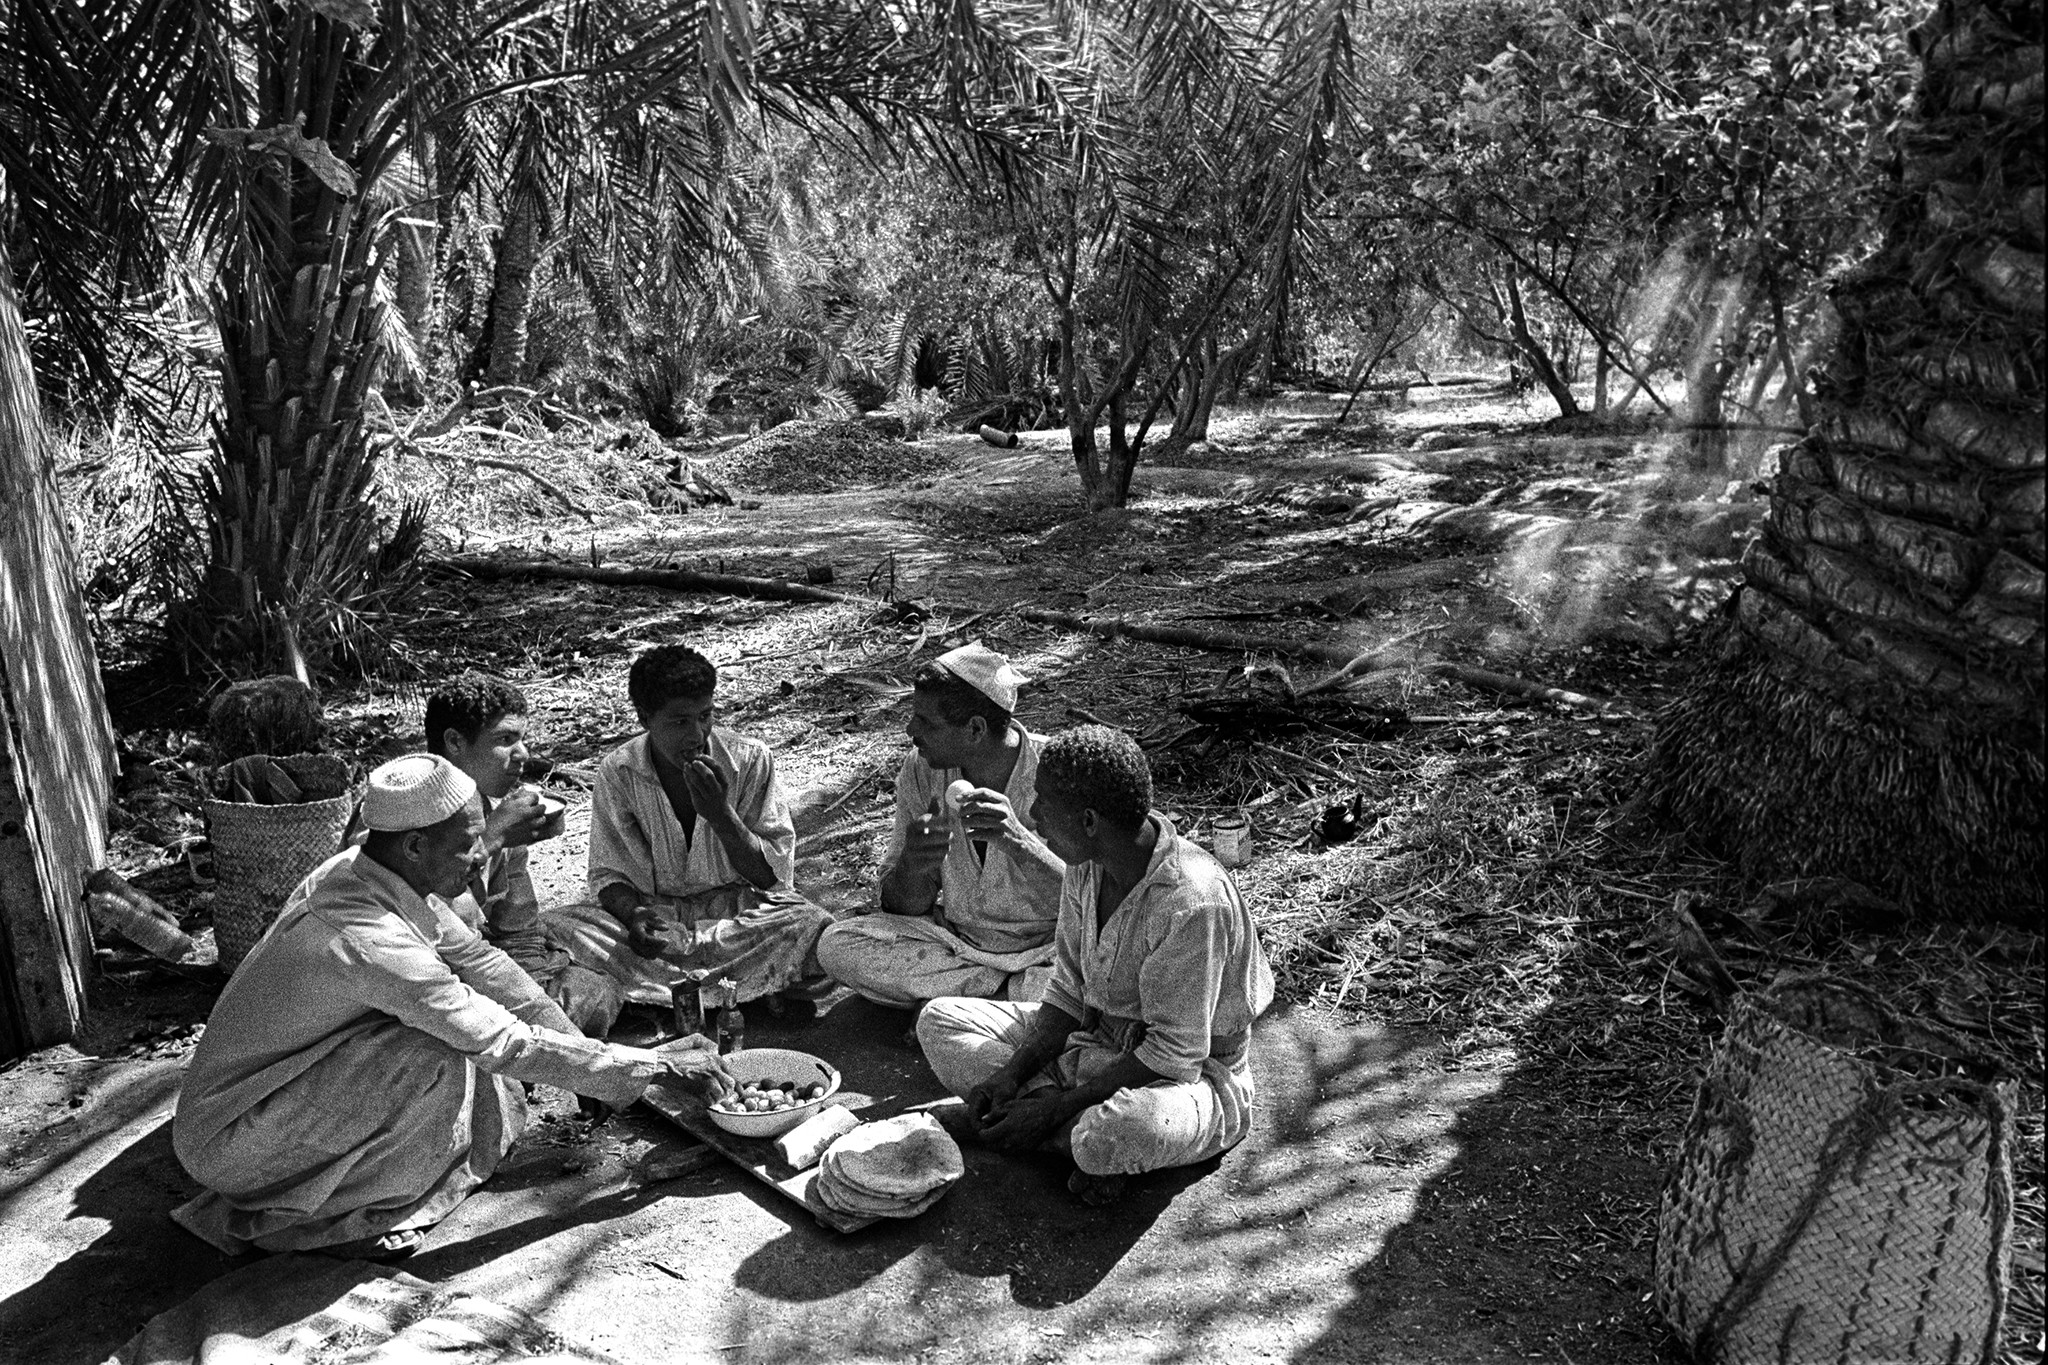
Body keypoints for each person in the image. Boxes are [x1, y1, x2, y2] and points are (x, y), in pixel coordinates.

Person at [171, 754, 734, 1260]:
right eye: (468, 842)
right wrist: (653, 1066)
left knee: (474, 1064)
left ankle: (355, 1184)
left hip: (280, 1091)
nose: (479, 854)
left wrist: (588, 1060)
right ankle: (322, 1221)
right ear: (415, 846)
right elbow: (500, 1040)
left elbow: (488, 967)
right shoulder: (369, 936)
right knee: (437, 1052)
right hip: (236, 1138)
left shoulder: (370, 871)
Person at [915, 725, 1274, 1205]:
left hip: (1193, 1077)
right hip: (1095, 1041)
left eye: (1043, 804)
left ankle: (1037, 1129)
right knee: (940, 1020)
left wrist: (1052, 1108)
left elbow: (1174, 1054)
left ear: (1088, 820)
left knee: (1116, 1132)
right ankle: (1057, 1132)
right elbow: (1067, 993)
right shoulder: (1086, 863)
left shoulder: (1190, 901)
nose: (1033, 816)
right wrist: (1010, 1076)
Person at [548, 645, 832, 1010]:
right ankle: (748, 989)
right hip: (659, 924)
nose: (697, 735)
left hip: (735, 919)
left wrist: (721, 816)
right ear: (645, 718)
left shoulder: (750, 759)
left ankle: (651, 994)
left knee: (811, 923)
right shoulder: (619, 771)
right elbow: (609, 873)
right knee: (552, 927)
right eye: (680, 722)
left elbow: (773, 880)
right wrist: (635, 916)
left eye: (705, 716)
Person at [816, 642, 1066, 1007]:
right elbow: (902, 905)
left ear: (975, 729)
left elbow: (1097, 901)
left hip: (1047, 951)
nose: (910, 730)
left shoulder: (1058, 769)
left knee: (1095, 976)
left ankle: (962, 1003)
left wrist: (1021, 843)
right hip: (959, 948)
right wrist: (913, 865)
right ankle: (999, 1002)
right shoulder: (921, 768)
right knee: (837, 945)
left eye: (927, 723)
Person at [427, 672, 622, 1038]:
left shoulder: (497, 809)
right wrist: (492, 838)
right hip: (424, 983)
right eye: (505, 740)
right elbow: (424, 922)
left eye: (521, 739)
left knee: (594, 991)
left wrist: (536, 987)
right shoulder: (408, 812)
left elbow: (517, 929)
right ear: (454, 742)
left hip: (484, 969)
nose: (523, 754)